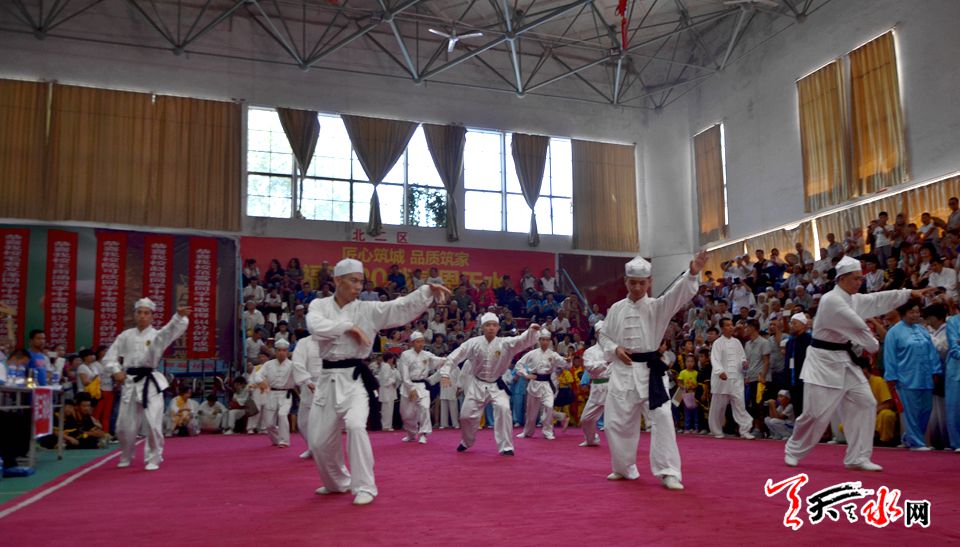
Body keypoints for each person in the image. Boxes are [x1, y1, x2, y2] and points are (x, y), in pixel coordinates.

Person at [306, 258, 450, 506]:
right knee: (318, 442)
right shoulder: (319, 305)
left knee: (355, 426)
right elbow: (314, 326)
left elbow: (399, 308)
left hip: (355, 379)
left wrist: (426, 291)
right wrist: (349, 327)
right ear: (337, 281)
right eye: (353, 281)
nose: (358, 286)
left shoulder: (368, 309)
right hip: (327, 379)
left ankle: (365, 486)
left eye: (361, 281)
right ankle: (337, 482)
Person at [784, 256, 928, 472]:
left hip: (845, 360)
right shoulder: (831, 301)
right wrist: (872, 343)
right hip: (823, 363)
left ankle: (857, 457)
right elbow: (859, 328)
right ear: (842, 279)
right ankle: (793, 450)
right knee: (815, 413)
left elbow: (876, 299)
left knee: (866, 403)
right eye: (856, 278)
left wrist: (908, 293)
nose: (860, 282)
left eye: (861, 278)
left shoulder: (852, 299)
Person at [598, 250, 707, 491]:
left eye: (641, 283)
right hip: (623, 371)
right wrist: (615, 348)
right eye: (632, 282)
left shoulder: (658, 307)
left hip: (651, 373)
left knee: (663, 418)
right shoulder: (616, 309)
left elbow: (677, 294)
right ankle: (624, 468)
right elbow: (603, 336)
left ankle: (669, 472)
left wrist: (691, 273)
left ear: (649, 282)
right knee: (616, 422)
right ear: (625, 281)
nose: (637, 287)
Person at [103, 298, 190, 471]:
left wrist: (178, 317)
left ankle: (154, 457)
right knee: (123, 425)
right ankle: (126, 455)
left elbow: (170, 331)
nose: (142, 316)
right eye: (139, 312)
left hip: (150, 382)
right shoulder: (125, 336)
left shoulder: (157, 335)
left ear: (152, 317)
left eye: (146, 313)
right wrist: (115, 370)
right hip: (130, 381)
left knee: (152, 422)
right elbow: (109, 357)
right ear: (135, 315)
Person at [442, 313, 540, 456]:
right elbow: (454, 357)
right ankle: (467, 441)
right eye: (488, 325)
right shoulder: (473, 343)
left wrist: (531, 331)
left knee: (504, 409)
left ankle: (506, 447)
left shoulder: (505, 343)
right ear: (482, 328)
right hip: (477, 384)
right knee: (465, 416)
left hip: (497, 385)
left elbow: (522, 340)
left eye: (494, 325)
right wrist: (445, 373)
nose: (491, 328)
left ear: (498, 327)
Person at [882, 299, 942, 451]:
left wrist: (936, 370)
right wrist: (891, 378)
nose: (915, 315)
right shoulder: (894, 332)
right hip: (906, 378)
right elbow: (889, 357)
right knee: (911, 412)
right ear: (903, 313)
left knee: (926, 410)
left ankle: (910, 438)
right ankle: (916, 442)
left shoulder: (923, 330)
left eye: (917, 312)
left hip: (926, 377)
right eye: (912, 312)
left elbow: (932, 352)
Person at [515, 329, 571, 440]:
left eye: (547, 340)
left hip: (547, 384)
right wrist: (526, 374)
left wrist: (568, 361)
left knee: (549, 406)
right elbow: (518, 365)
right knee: (531, 412)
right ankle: (527, 432)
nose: (545, 342)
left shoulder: (553, 355)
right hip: (534, 384)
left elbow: (566, 365)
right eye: (542, 339)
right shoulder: (532, 354)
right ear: (539, 340)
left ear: (550, 341)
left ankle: (548, 431)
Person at [709, 318, 754, 440]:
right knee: (718, 408)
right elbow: (715, 359)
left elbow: (742, 358)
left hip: (736, 379)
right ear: (722, 328)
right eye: (728, 325)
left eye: (731, 325)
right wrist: (720, 371)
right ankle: (717, 430)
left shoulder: (737, 342)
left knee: (740, 405)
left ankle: (745, 430)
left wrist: (744, 364)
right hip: (722, 380)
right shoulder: (717, 343)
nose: (731, 327)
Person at [398, 332, 446, 444]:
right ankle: (411, 434)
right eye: (418, 342)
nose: (420, 344)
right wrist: (411, 388)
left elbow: (440, 360)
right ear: (412, 343)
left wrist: (451, 359)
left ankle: (424, 433)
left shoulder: (427, 355)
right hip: (408, 385)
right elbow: (404, 374)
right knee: (406, 414)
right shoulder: (405, 355)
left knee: (424, 407)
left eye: (422, 341)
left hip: (422, 385)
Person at [253, 338, 296, 448]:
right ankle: (276, 439)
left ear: (287, 352)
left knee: (282, 415)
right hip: (271, 393)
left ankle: (284, 441)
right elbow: (257, 375)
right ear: (275, 351)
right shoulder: (268, 364)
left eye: (284, 350)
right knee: (268, 424)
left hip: (286, 394)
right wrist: (260, 382)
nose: (281, 353)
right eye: (279, 350)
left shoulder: (292, 365)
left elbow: (301, 376)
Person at [291, 335, 323, 458]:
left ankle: (322, 449)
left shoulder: (331, 339)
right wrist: (307, 381)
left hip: (327, 383)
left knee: (323, 421)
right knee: (303, 422)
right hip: (309, 383)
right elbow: (297, 362)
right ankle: (312, 447)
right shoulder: (304, 342)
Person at [580, 323, 611, 447]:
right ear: (596, 334)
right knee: (586, 418)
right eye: (600, 332)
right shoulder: (589, 352)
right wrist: (606, 363)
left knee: (618, 420)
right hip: (597, 387)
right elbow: (590, 367)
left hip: (613, 386)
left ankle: (623, 446)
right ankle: (591, 439)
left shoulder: (613, 349)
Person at [377, 354, 400, 431]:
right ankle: (386, 426)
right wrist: (393, 380)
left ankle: (387, 425)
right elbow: (384, 380)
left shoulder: (387, 367)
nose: (393, 360)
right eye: (392, 358)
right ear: (389, 359)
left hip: (389, 390)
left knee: (388, 409)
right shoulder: (385, 366)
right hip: (387, 390)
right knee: (387, 410)